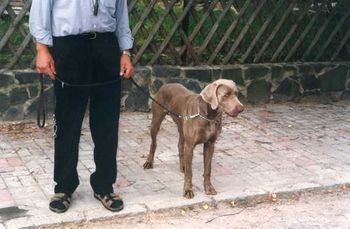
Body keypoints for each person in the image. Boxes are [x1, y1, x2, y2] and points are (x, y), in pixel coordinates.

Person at [29, 0, 134, 213]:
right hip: (69, 46)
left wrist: (125, 51)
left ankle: (104, 185)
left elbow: (121, 14)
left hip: (106, 46)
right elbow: (41, 8)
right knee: (67, 121)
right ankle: (64, 187)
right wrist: (41, 48)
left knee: (107, 121)